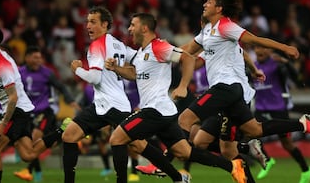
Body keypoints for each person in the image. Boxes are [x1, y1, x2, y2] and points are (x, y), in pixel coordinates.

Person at [177, 0, 310, 174]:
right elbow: (187, 50)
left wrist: (284, 47)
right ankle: (302, 124)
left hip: (228, 87)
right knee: (247, 134)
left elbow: (254, 40)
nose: (204, 4)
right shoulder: (207, 31)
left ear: (219, 8)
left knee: (185, 119)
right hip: (228, 91)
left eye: (209, 1)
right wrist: (162, 55)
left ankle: (170, 158)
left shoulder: (226, 26)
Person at [105, 12, 247, 183]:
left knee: (117, 139)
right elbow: (135, 73)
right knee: (184, 152)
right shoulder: (141, 53)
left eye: (132, 25)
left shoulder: (159, 47)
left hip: (155, 110)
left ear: (144, 28)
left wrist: (182, 86)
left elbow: (187, 58)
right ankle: (231, 167)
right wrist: (116, 69)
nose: (129, 29)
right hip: (163, 111)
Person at [0, 27, 65, 183]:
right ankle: (62, 130)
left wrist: (3, 124)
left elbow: (13, 98)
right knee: (28, 155)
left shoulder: (3, 65)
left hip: (17, 110)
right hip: (17, 110)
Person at [60, 6, 133, 183]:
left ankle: (175, 174)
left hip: (114, 105)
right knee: (68, 135)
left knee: (136, 144)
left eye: (93, 22)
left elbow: (94, 77)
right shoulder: (118, 44)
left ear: (105, 24)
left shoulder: (97, 45)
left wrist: (77, 69)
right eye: (87, 22)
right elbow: (137, 58)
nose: (88, 26)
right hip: (102, 105)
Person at [14, 46, 80, 182]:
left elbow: (60, 86)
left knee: (35, 137)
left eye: (40, 57)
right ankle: (37, 171)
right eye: (35, 57)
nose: (39, 60)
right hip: (27, 113)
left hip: (45, 110)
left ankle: (28, 170)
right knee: (38, 143)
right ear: (27, 58)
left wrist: (70, 100)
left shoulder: (47, 73)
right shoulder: (19, 73)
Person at [252, 45, 310, 183]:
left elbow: (297, 78)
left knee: (287, 144)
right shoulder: (252, 66)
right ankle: (267, 160)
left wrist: (286, 62)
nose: (260, 50)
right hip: (261, 107)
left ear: (270, 51)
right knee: (251, 133)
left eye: (263, 48)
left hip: (278, 108)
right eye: (257, 48)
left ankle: (306, 169)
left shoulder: (278, 65)